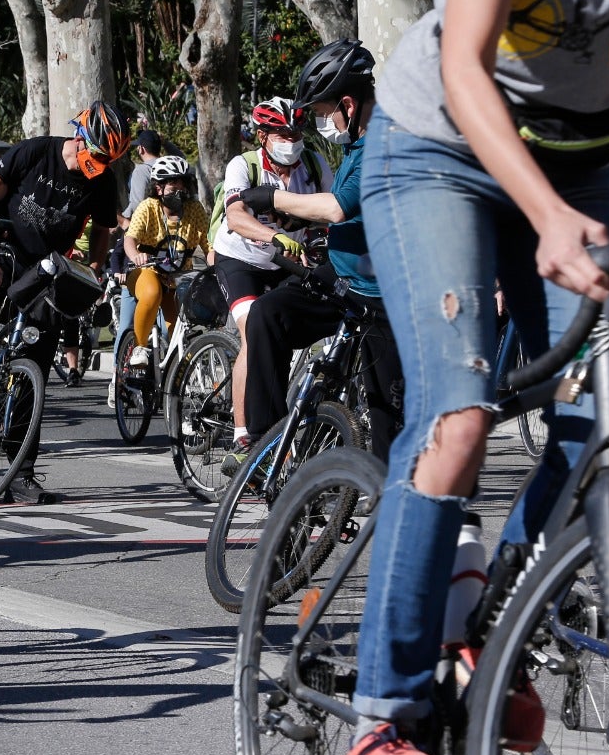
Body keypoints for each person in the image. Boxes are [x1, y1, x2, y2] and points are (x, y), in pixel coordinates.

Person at [334, 0, 609, 755]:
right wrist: (543, 215)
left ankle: (489, 623)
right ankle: (382, 712)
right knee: (458, 415)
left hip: (581, 166)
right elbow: (465, 68)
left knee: (604, 421)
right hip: (439, 149)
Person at [0, 100, 130, 505]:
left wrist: (97, 266)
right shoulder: (38, 150)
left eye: (110, 160)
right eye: (99, 155)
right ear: (81, 135)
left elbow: (103, 228)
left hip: (48, 272)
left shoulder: (101, 181)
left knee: (34, 365)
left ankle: (21, 474)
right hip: (2, 253)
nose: (101, 165)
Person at [228, 40, 404, 470]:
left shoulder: (384, 142)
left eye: (324, 113)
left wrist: (274, 197)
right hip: (342, 278)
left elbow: (337, 206)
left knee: (386, 410)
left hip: (382, 296)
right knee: (268, 316)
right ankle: (266, 448)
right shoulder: (355, 141)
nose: (321, 123)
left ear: (348, 102)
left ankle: (384, 496)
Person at [212, 96, 334, 469]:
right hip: (242, 260)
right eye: (282, 133)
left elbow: (333, 209)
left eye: (296, 132)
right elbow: (234, 216)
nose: (291, 139)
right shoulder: (243, 165)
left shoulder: (313, 164)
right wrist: (272, 236)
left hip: (288, 263)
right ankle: (244, 436)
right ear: (263, 135)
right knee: (255, 329)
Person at [122, 155, 212, 367]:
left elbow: (209, 246)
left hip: (179, 279)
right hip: (147, 272)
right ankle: (139, 347)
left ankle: (176, 380)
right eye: (173, 184)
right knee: (152, 293)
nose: (179, 189)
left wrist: (218, 265)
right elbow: (130, 239)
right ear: (159, 188)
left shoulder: (195, 209)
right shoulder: (148, 207)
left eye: (182, 182)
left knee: (180, 329)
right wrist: (136, 255)